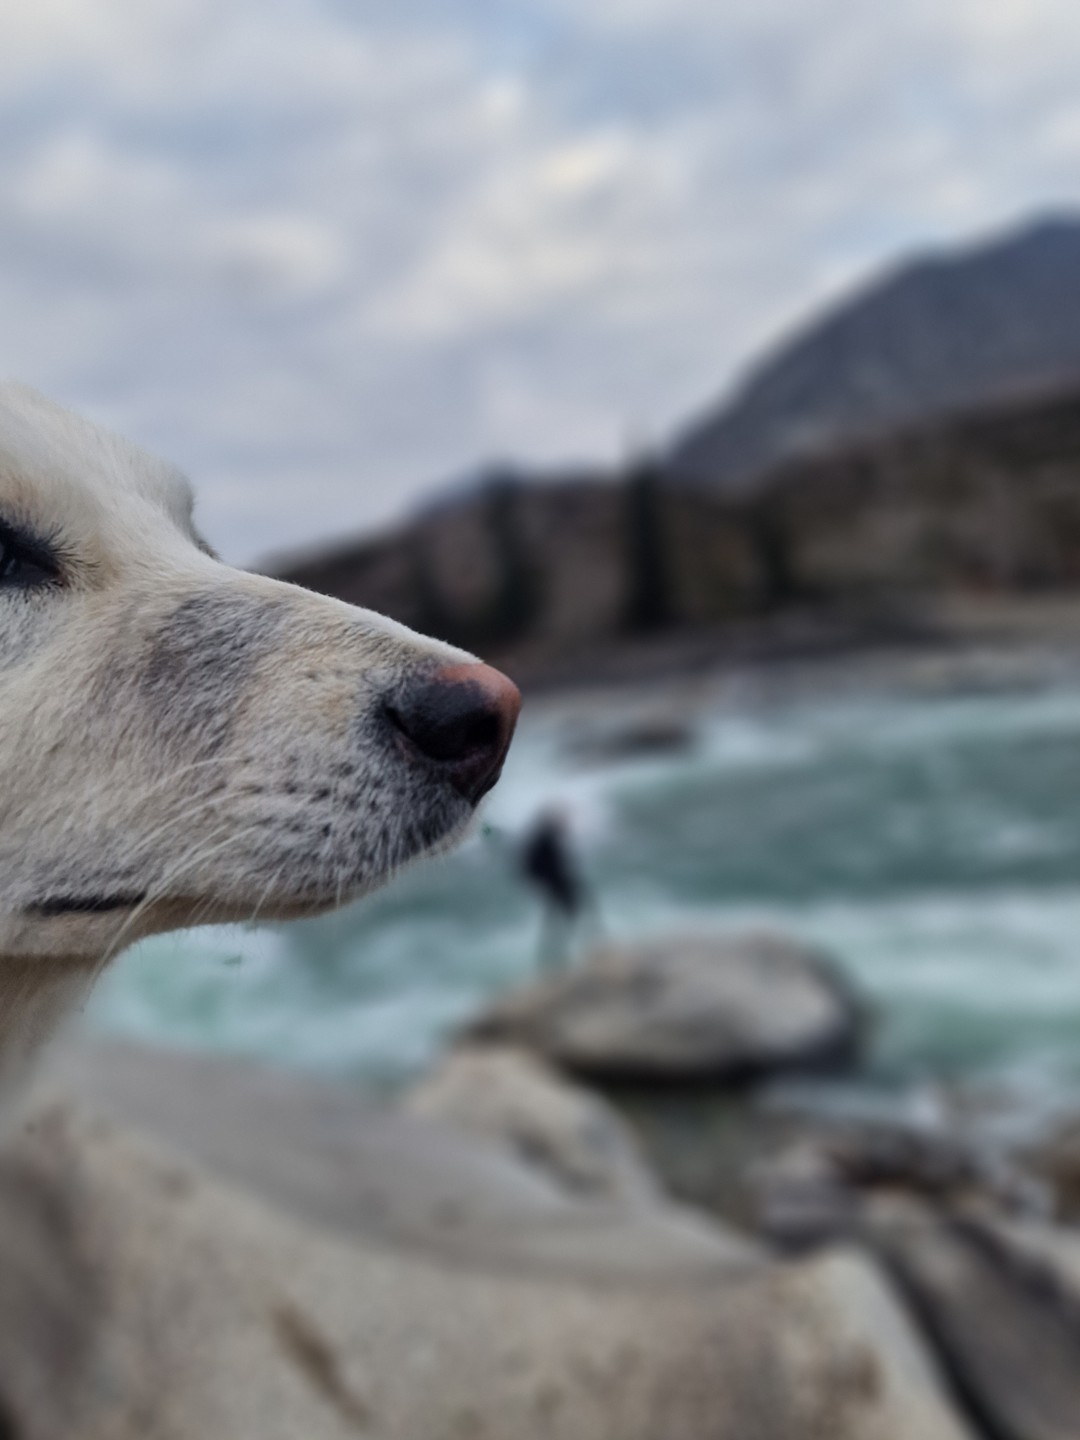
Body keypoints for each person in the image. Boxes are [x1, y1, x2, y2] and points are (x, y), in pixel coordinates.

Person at [518, 805, 593, 973]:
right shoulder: (545, 839)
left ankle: (563, 955)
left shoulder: (544, 837)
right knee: (564, 917)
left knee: (561, 918)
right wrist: (548, 881)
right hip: (555, 883)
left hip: (555, 882)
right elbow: (540, 866)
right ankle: (563, 955)